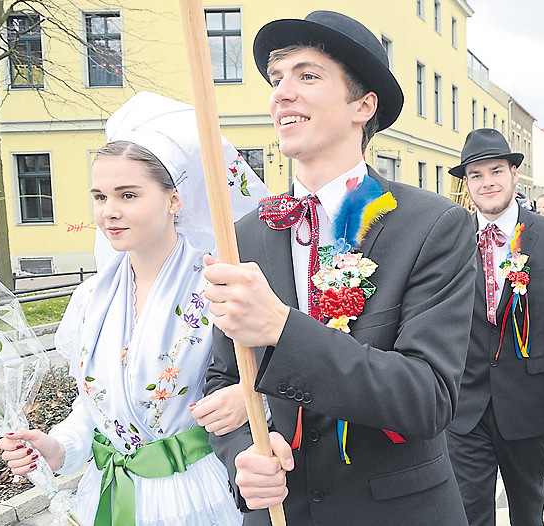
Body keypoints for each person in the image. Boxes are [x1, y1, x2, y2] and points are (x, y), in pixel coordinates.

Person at [201, 11, 476, 526]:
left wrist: (283, 330)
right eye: (277, 77)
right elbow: (223, 377)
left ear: (363, 105)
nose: (281, 92)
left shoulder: (435, 226)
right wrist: (242, 451)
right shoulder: (243, 234)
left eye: (307, 75)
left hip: (397, 512)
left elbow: (428, 398)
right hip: (282, 512)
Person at [0, 92, 270, 526]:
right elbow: (94, 411)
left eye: (128, 195)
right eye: (100, 197)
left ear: (174, 199)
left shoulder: (220, 286)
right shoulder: (90, 299)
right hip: (109, 495)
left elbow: (278, 383)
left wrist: (254, 399)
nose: (110, 212)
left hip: (197, 494)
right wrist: (55, 448)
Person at [446, 129, 544, 526]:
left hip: (529, 403)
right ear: (466, 183)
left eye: (496, 171)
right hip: (464, 407)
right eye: (476, 175)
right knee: (470, 513)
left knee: (528, 512)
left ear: (514, 175)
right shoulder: (450, 237)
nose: (487, 182)